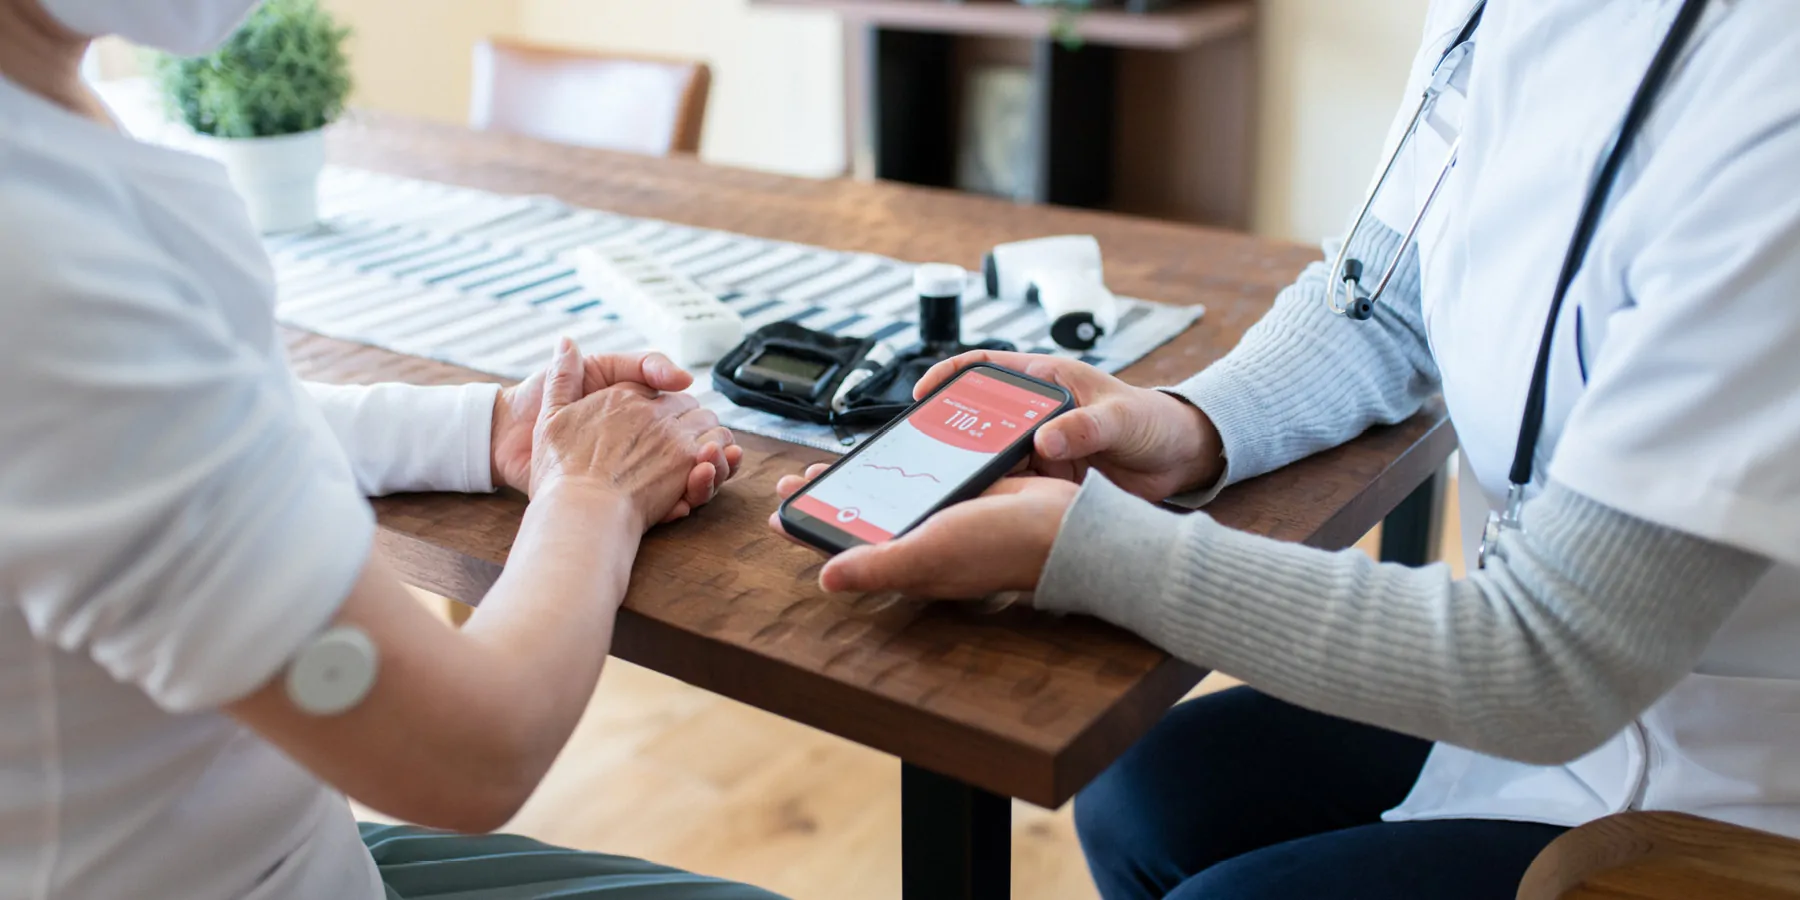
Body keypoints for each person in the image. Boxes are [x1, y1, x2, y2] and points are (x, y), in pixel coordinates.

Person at [772, 0, 1800, 897]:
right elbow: (1384, 299)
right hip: (1555, 710)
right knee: (1141, 799)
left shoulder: (1773, 100)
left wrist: (1084, 551)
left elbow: (1553, 661)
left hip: (1733, 785)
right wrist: (1189, 424)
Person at [0, 1, 782, 899]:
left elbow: (188, 422)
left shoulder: (51, 127)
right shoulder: (40, 267)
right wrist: (593, 495)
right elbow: (472, 753)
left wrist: (489, 431)